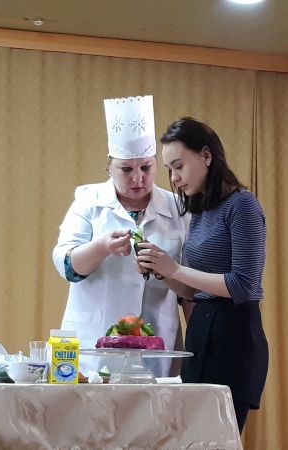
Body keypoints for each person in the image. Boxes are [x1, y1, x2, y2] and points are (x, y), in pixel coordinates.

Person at [136, 117, 268, 433]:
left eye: (179, 166)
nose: (174, 178)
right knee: (191, 438)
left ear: (206, 156)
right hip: (200, 331)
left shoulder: (243, 205)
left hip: (234, 335)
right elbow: (193, 291)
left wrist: (175, 268)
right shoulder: (200, 211)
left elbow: (243, 285)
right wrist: (160, 271)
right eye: (169, 170)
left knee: (218, 438)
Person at [52, 96, 188, 377]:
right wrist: (101, 246)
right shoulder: (89, 201)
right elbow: (66, 265)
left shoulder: (177, 208)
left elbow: (190, 285)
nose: (138, 178)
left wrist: (164, 268)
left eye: (146, 168)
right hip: (94, 340)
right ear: (110, 168)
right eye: (126, 169)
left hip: (156, 340)